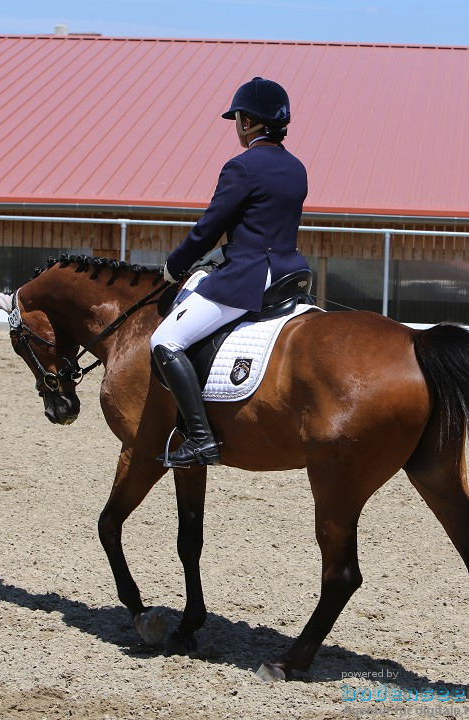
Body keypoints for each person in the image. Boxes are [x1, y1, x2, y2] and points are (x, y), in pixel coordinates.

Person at [150, 77, 310, 467]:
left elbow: (209, 226)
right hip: (291, 273)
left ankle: (202, 439)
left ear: (248, 122)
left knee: (165, 340)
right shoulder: (297, 167)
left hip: (249, 278)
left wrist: (175, 265)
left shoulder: (241, 166)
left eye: (236, 119)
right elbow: (263, 224)